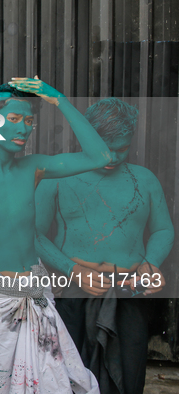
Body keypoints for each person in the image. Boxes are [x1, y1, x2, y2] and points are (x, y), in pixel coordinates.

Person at [0, 77, 109, 393]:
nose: (24, 129)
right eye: (14, 119)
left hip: (36, 293)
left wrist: (57, 98)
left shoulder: (33, 168)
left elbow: (100, 157)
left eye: (29, 121)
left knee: (57, 384)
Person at [35, 97, 174, 393]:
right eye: (104, 147)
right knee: (69, 378)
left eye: (121, 148)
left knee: (127, 377)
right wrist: (71, 270)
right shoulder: (58, 179)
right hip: (71, 293)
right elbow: (32, 234)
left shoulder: (145, 180)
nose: (111, 156)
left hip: (129, 293)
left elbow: (162, 229)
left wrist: (151, 263)